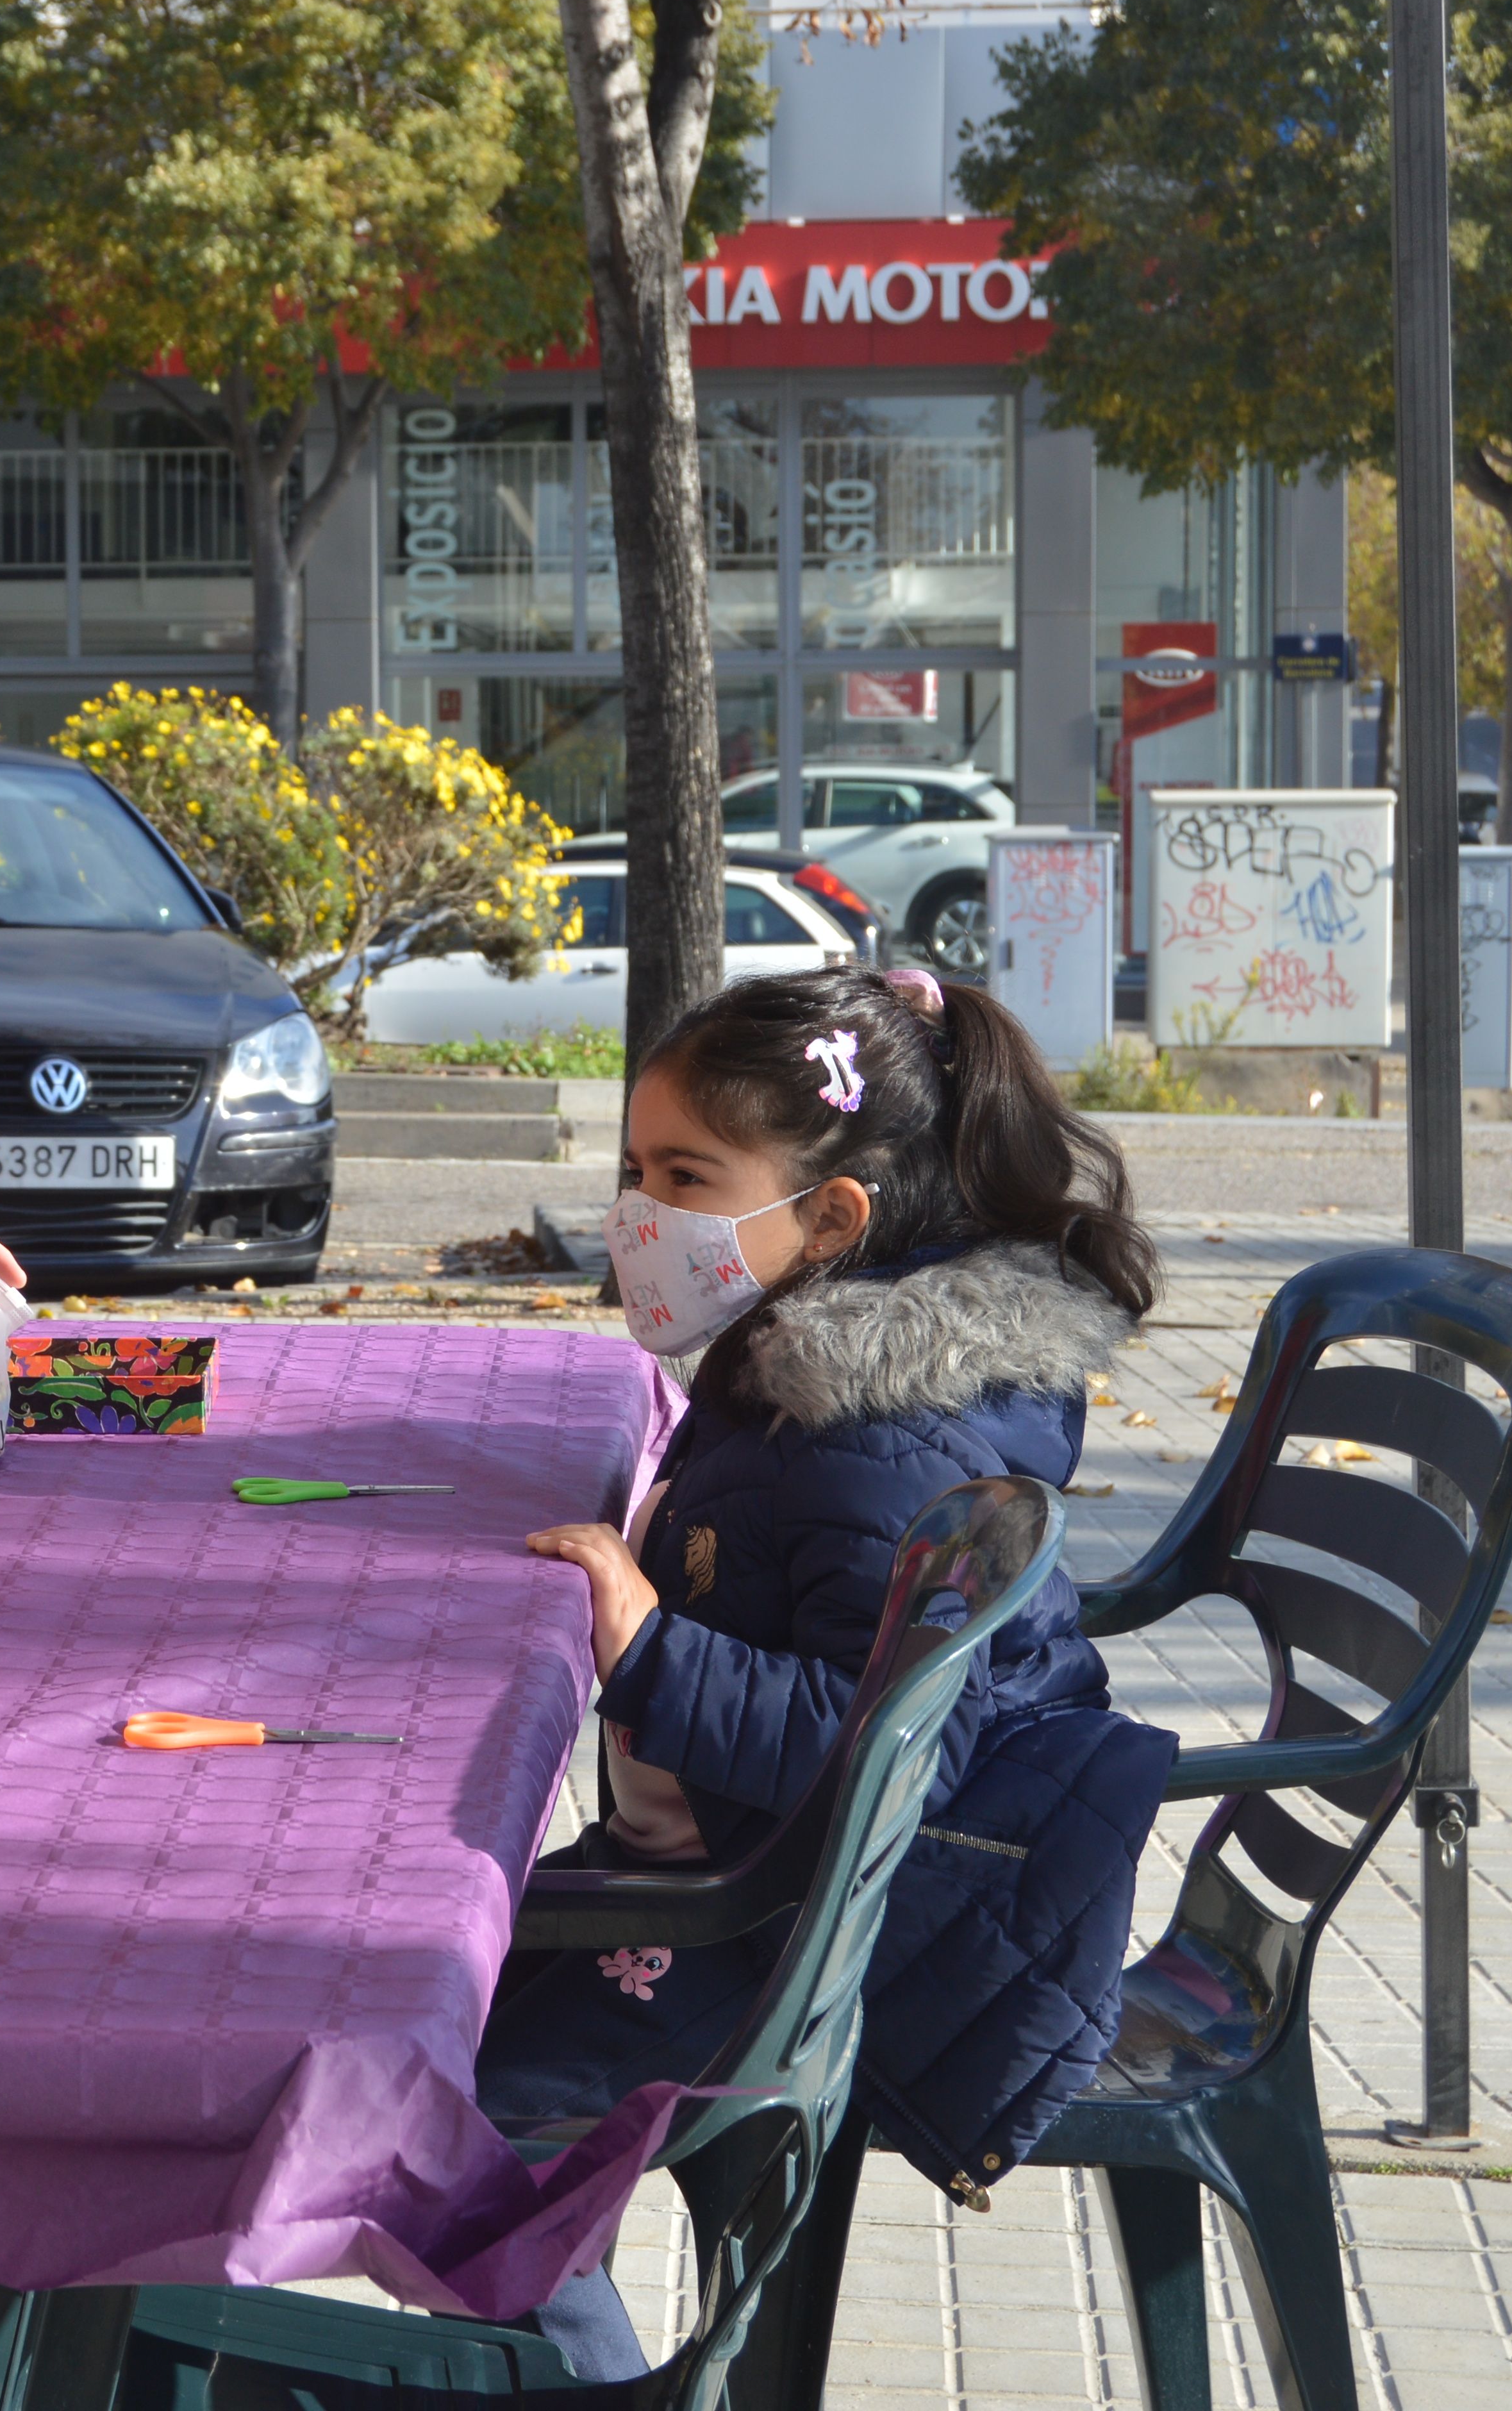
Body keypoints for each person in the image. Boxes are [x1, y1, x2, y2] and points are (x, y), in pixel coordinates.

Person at [478, 967, 1177, 2380]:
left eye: (684, 1174)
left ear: (832, 1218)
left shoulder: (875, 1440)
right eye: (632, 1167)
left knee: (465, 2131)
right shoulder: (796, 1366)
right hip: (725, 1875)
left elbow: (863, 1750)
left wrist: (646, 1645)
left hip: (793, 1930)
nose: (637, 1211)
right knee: (400, 1984)